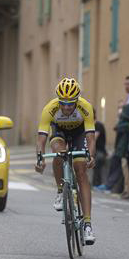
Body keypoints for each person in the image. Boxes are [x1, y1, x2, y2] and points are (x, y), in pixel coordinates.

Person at [35, 78, 97, 245]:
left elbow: (90, 137)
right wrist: (40, 158)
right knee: (59, 153)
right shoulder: (50, 109)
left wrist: (91, 155)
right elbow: (41, 139)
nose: (67, 107)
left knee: (81, 169)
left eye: (71, 104)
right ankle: (61, 191)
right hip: (59, 130)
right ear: (58, 101)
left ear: (77, 100)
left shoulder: (85, 107)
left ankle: (88, 225)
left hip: (79, 133)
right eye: (63, 103)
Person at [92, 108, 107, 187]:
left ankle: (97, 183)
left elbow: (93, 138)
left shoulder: (98, 125)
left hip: (99, 151)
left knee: (97, 159)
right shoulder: (88, 125)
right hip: (93, 150)